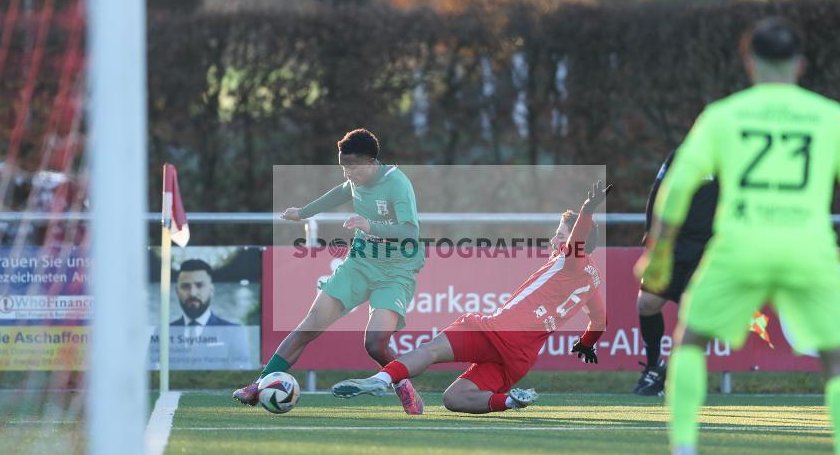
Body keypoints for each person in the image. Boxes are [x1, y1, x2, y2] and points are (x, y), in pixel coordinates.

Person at [635, 17, 840, 455]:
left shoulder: (723, 115)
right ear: (800, 65)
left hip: (739, 248)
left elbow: (676, 190)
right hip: (807, 249)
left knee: (689, 343)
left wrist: (658, 251)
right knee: (838, 362)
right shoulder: (829, 116)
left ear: (749, 63)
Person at [331, 181, 610, 414]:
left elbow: (577, 241)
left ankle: (381, 379)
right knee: (454, 398)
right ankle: (512, 400)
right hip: (521, 357)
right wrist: (586, 344)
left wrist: (587, 210)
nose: (553, 241)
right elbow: (600, 320)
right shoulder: (592, 279)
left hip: (500, 331)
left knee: (430, 350)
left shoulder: (571, 259)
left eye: (559, 235)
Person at [233, 129, 427, 414]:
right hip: (360, 263)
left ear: (371, 161)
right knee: (309, 325)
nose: (348, 174)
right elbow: (339, 193)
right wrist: (304, 212)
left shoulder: (397, 183)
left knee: (375, 344)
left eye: (352, 167)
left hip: (396, 271)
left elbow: (410, 231)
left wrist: (369, 225)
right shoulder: (356, 179)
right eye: (343, 167)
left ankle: (401, 385)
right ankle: (259, 385)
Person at [634, 151, 718, 396]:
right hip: (672, 246)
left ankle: (674, 376)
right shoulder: (681, 156)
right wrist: (652, 237)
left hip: (709, 249)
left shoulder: (732, 157)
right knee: (646, 304)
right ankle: (653, 368)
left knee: (694, 313)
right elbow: (657, 193)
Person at [171, 259, 241, 327]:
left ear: (211, 290)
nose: (192, 293)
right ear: (177, 291)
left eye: (199, 285)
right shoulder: (164, 332)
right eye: (185, 286)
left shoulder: (233, 331)